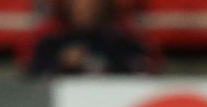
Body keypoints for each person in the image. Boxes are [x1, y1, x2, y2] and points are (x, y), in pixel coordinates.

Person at [25, 0, 156, 77]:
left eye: (90, 3)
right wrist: (61, 64)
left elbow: (142, 69)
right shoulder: (51, 44)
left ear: (102, 5)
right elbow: (31, 78)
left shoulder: (122, 42)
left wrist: (108, 67)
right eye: (78, 2)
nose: (84, 7)